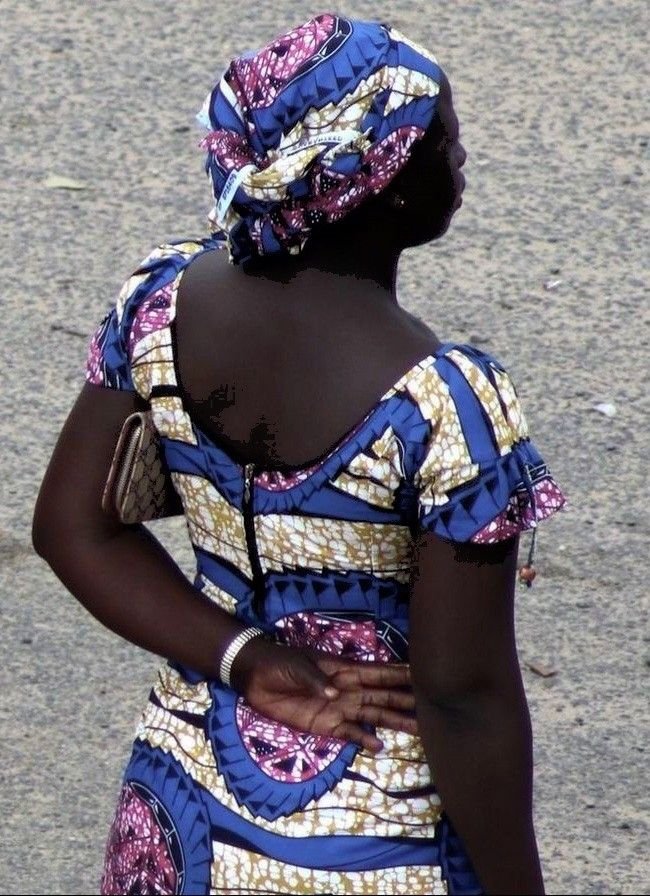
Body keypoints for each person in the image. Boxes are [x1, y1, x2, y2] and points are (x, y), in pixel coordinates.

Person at [32, 13, 568, 896]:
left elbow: (71, 529)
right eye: (443, 137)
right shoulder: (448, 402)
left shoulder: (157, 303)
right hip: (374, 843)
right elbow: (462, 697)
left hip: (177, 816)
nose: (461, 154)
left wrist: (247, 655)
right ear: (383, 181)